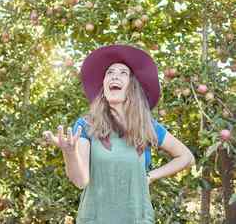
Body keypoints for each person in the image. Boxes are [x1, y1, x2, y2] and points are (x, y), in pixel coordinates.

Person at [43, 44, 195, 224]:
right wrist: (69, 152)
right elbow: (81, 181)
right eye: (110, 72)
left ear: (132, 87)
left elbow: (186, 157)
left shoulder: (147, 126)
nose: (115, 75)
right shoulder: (86, 125)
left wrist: (150, 176)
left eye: (123, 73)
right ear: (104, 87)